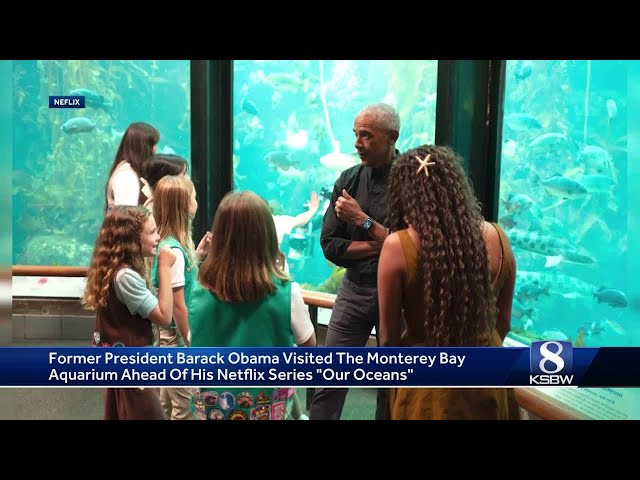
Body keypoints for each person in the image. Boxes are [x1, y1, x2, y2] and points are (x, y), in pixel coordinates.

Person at [377, 145, 520, 420]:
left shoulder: (398, 246)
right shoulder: (498, 237)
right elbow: (504, 322)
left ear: (404, 193)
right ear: (456, 187)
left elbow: (388, 337)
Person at [189, 191, 316, 420]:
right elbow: (308, 344)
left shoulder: (199, 290)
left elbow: (192, 338)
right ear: (267, 235)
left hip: (215, 408)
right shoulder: (288, 293)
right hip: (267, 408)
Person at [309, 103, 399, 421]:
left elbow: (419, 250)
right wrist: (384, 243)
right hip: (354, 289)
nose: (357, 143)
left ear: (392, 138)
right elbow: (330, 246)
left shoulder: (414, 183)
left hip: (399, 297)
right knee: (329, 380)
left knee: (393, 385)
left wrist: (362, 220)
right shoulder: (347, 179)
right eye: (356, 135)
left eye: (366, 136)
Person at [82, 205, 175, 420]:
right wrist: (164, 267)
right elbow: (164, 316)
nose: (158, 237)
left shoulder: (118, 270)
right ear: (131, 240)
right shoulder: (125, 277)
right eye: (151, 232)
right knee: (147, 413)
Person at [150, 175, 210, 420]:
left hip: (168, 338)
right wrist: (191, 342)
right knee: (185, 408)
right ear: (183, 205)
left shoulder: (172, 246)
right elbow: (178, 306)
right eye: (193, 196)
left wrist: (196, 255)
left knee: (165, 403)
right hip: (176, 339)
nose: (196, 201)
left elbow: (178, 279)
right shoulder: (174, 250)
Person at [105, 122, 160, 211]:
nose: (155, 149)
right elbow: (126, 219)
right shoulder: (126, 176)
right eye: (152, 145)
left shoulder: (129, 170)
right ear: (143, 148)